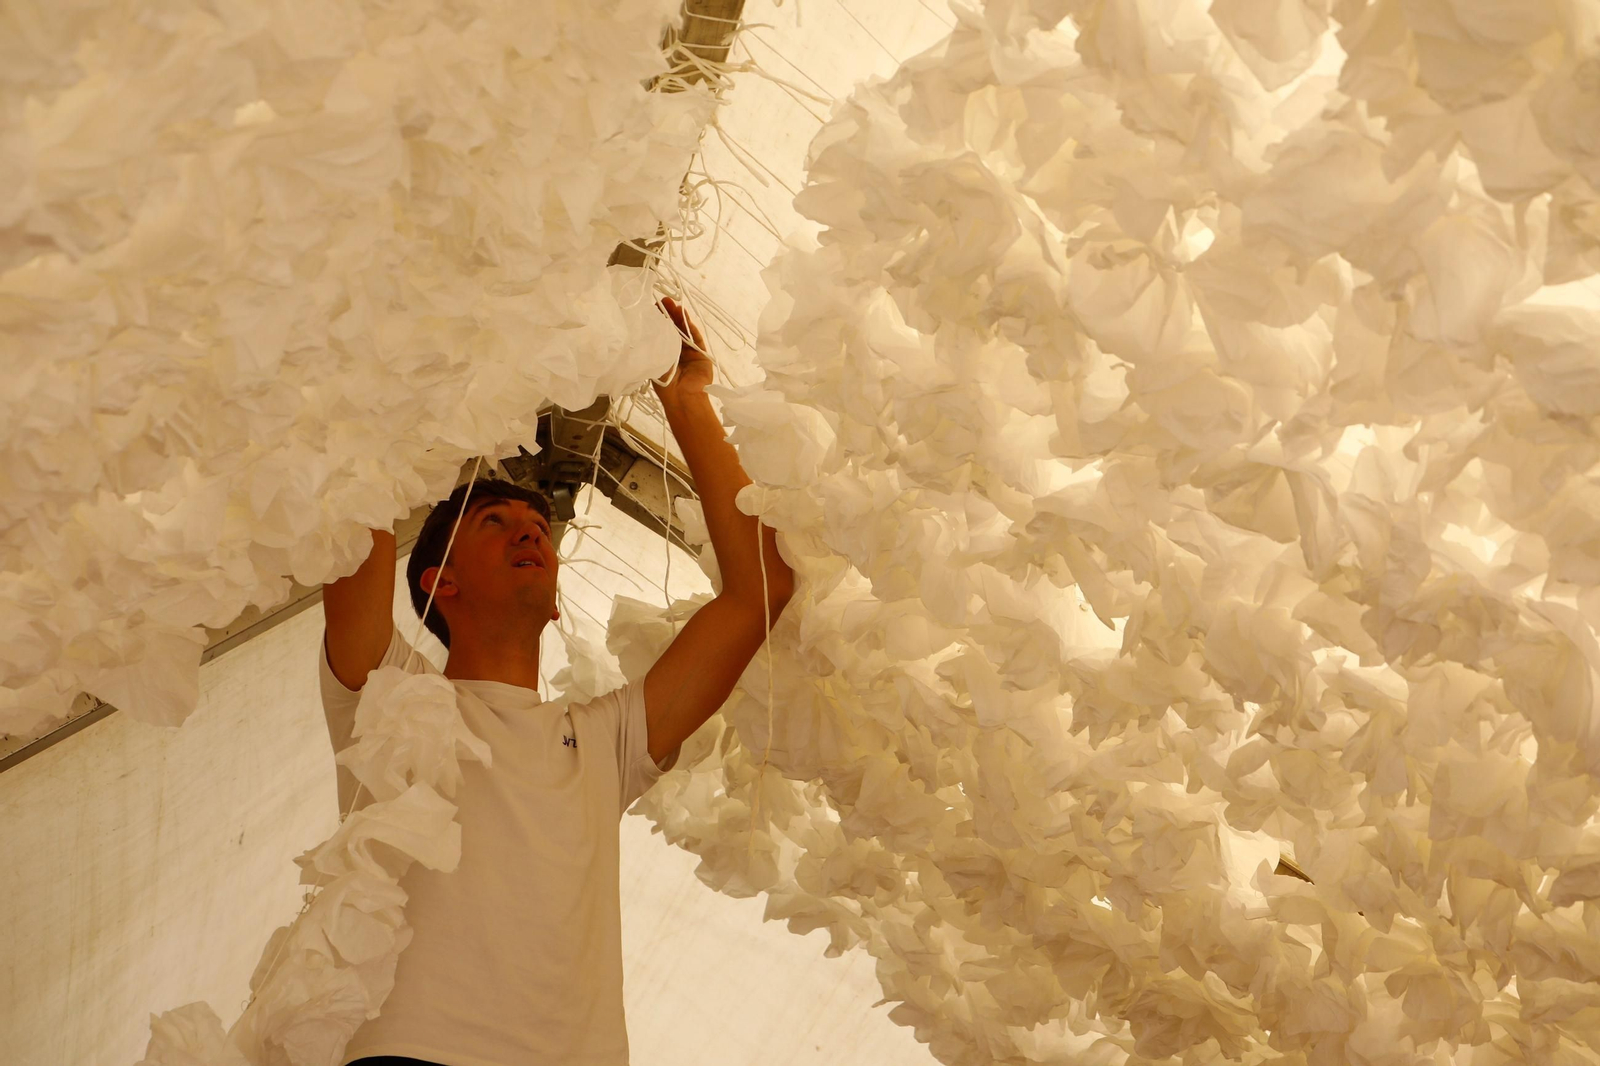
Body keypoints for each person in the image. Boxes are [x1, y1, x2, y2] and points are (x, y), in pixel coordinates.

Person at [317, 298, 795, 1066]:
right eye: (495, 522)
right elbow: (352, 504)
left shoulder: (604, 741)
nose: (531, 529)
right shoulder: (388, 696)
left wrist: (684, 396)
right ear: (440, 584)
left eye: (537, 525)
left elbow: (759, 592)